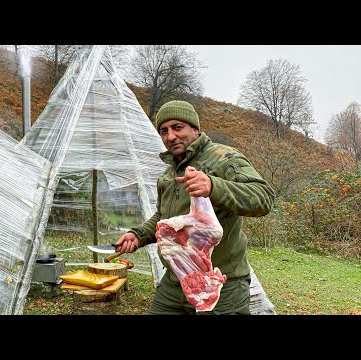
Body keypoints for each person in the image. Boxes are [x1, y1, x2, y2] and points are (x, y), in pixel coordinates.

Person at [115, 100, 275, 315]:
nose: (171, 136)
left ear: (195, 129)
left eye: (177, 127)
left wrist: (213, 186)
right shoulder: (169, 173)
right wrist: (139, 235)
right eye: (164, 131)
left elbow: (263, 199)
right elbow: (166, 217)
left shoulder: (223, 158)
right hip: (176, 279)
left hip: (220, 283)